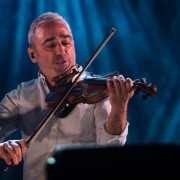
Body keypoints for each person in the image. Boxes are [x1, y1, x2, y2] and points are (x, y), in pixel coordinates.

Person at [0, 12, 134, 180]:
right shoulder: (21, 95)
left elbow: (112, 151)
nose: (61, 50)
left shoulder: (98, 91)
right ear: (33, 55)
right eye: (51, 45)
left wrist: (119, 109)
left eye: (66, 42)